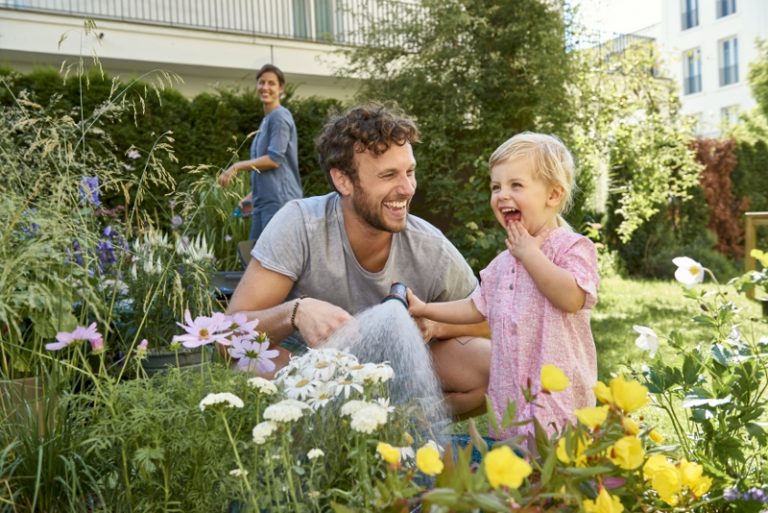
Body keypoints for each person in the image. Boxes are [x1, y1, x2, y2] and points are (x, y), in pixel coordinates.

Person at [225, 103, 490, 418]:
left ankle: (396, 427)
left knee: (492, 367)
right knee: (249, 362)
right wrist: (294, 313)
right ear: (343, 180)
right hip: (311, 374)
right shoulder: (300, 225)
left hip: (394, 374)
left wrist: (435, 324)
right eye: (389, 175)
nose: (407, 189)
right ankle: (327, 435)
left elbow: (491, 320)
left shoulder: (429, 247)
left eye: (410, 171)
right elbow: (227, 338)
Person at [407, 132, 599, 442]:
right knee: (515, 466)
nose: (502, 195)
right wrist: (425, 309)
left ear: (552, 196)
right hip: (511, 394)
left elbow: (572, 298)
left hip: (557, 395)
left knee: (557, 470)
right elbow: (476, 306)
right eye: (496, 187)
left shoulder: (571, 248)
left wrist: (531, 255)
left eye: (516, 185)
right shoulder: (503, 263)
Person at [218, 64, 302, 241]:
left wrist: (236, 167)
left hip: (280, 201)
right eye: (261, 82)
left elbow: (274, 159)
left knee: (274, 261)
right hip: (263, 203)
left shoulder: (280, 117)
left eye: (271, 83)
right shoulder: (266, 121)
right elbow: (265, 172)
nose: (265, 87)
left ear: (281, 89)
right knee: (254, 257)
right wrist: (250, 198)